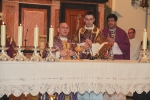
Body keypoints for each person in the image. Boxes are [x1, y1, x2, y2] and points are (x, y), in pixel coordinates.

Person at [73, 11, 106, 100]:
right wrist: (83, 46)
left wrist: (92, 45)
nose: (88, 21)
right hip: (82, 61)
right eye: (87, 19)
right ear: (84, 20)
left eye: (90, 19)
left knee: (94, 84)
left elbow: (103, 48)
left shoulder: (98, 32)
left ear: (94, 20)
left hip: (94, 63)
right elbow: (74, 45)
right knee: (82, 84)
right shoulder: (79, 32)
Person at [102, 14, 130, 100]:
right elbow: (99, 46)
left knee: (118, 83)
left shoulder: (122, 32)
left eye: (112, 20)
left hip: (118, 62)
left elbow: (126, 46)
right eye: (109, 20)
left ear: (116, 21)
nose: (110, 22)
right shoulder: (103, 32)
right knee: (106, 83)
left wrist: (114, 44)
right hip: (105, 62)